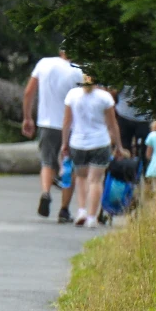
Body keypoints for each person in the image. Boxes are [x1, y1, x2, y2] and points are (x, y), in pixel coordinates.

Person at [21, 48, 84, 222]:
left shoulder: (44, 63)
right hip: (71, 125)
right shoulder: (79, 71)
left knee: (47, 162)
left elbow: (28, 92)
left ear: (61, 51)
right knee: (70, 165)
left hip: (47, 123)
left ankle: (45, 192)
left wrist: (27, 117)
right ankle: (64, 209)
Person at [61, 77, 124, 228]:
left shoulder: (72, 95)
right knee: (95, 180)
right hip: (100, 142)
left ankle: (81, 210)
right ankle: (92, 217)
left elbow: (67, 122)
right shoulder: (105, 97)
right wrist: (119, 146)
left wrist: (64, 143)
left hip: (78, 142)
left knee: (81, 178)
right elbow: (112, 124)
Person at [114, 87, 151, 160]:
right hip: (124, 115)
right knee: (124, 147)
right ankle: (125, 164)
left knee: (145, 148)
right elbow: (113, 90)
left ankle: (142, 163)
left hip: (144, 117)